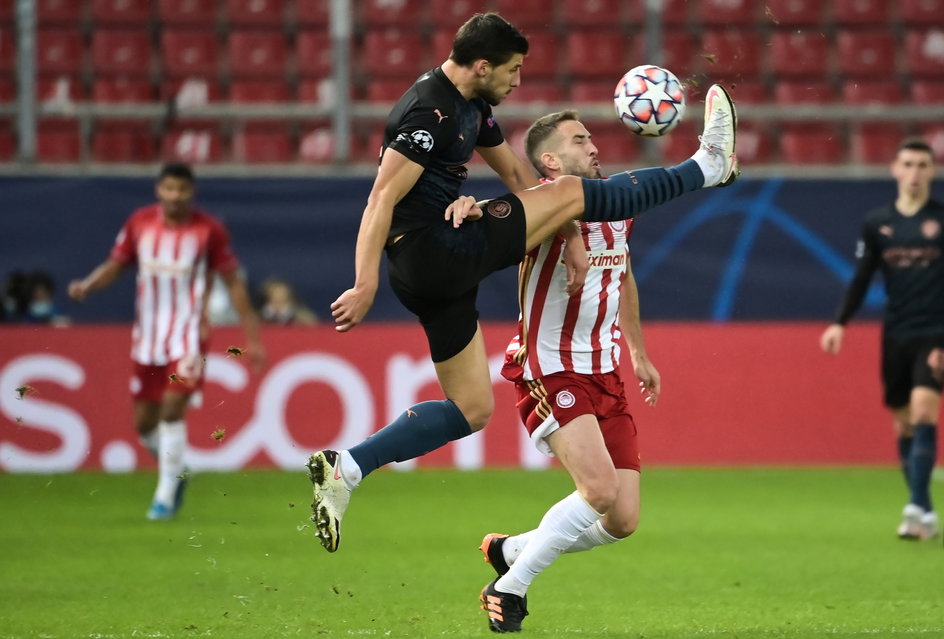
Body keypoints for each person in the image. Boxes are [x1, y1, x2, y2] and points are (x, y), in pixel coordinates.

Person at [307, 10, 739, 556]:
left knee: (470, 408)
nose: (517, 80)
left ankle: (346, 468)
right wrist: (364, 282)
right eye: (512, 70)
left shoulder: (472, 106)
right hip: (433, 250)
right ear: (482, 64)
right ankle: (706, 166)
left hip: (435, 273)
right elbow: (382, 198)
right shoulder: (429, 111)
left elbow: (516, 175)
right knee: (573, 191)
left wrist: (572, 232)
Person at [474, 110, 660, 632]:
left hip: (606, 372)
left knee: (622, 519)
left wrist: (639, 353)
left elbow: (623, 277)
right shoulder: (538, 209)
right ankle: (508, 587)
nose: (594, 146)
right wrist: (472, 207)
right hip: (551, 368)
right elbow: (495, 218)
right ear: (550, 160)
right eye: (580, 140)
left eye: (592, 137)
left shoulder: (618, 210)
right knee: (597, 490)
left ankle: (511, 550)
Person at [68, 163, 264, 520]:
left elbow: (234, 281)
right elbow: (116, 264)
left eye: (182, 190)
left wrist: (252, 336)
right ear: (159, 190)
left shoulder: (209, 230)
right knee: (143, 424)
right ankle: (176, 472)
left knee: (173, 407)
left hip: (189, 333)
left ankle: (163, 497)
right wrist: (88, 285)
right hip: (148, 336)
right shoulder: (140, 223)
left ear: (192, 192)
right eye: (169, 189)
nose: (175, 196)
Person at [819, 138, 942, 542]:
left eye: (923, 165)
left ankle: (916, 506)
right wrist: (840, 323)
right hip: (896, 333)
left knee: (925, 411)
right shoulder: (878, 223)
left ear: (932, 171)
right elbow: (861, 277)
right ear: (894, 169)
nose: (915, 172)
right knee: (904, 423)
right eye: (908, 164)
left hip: (935, 333)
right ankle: (921, 508)